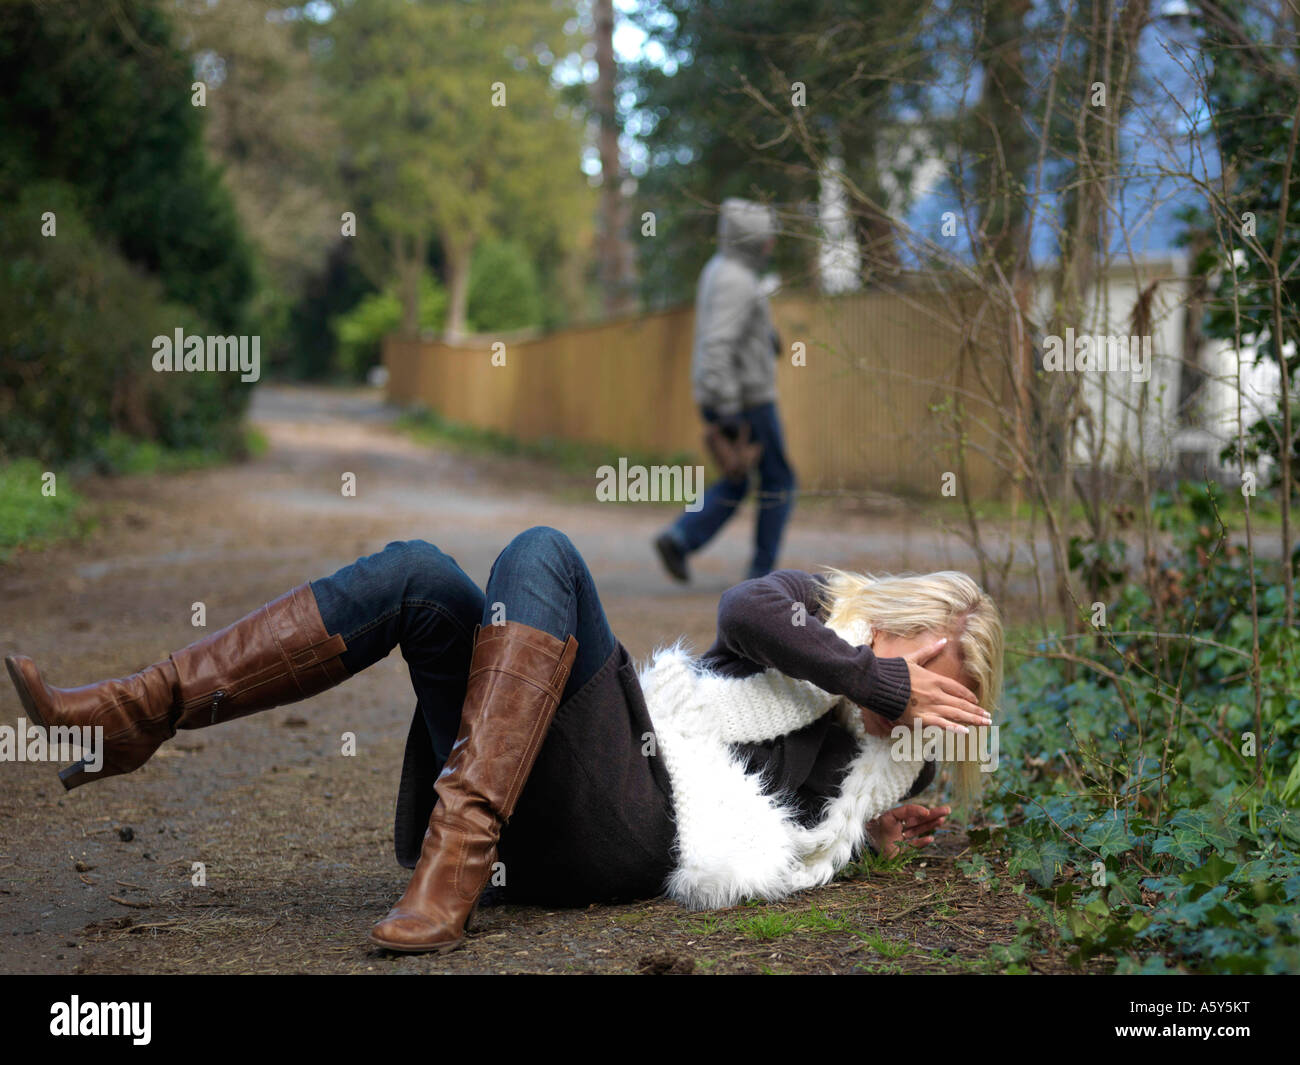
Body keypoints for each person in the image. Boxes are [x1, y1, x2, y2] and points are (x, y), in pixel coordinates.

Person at [5, 526, 1001, 955]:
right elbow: (744, 613)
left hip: (639, 828)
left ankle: (459, 861)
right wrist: (873, 673)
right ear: (914, 628)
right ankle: (139, 712)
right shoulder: (821, 621)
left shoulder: (881, 757)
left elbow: (804, 818)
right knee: (421, 579)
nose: (920, 707)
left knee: (542, 555)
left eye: (941, 707)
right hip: (597, 770)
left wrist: (871, 830)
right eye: (932, 678)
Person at [655, 197, 796, 583]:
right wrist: (730, 411)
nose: (771, 246)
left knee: (738, 479)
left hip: (729, 394)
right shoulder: (736, 280)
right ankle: (763, 574)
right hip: (747, 400)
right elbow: (718, 344)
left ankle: (681, 538)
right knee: (779, 482)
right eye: (766, 240)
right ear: (752, 242)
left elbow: (728, 331)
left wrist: (766, 338)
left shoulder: (721, 270)